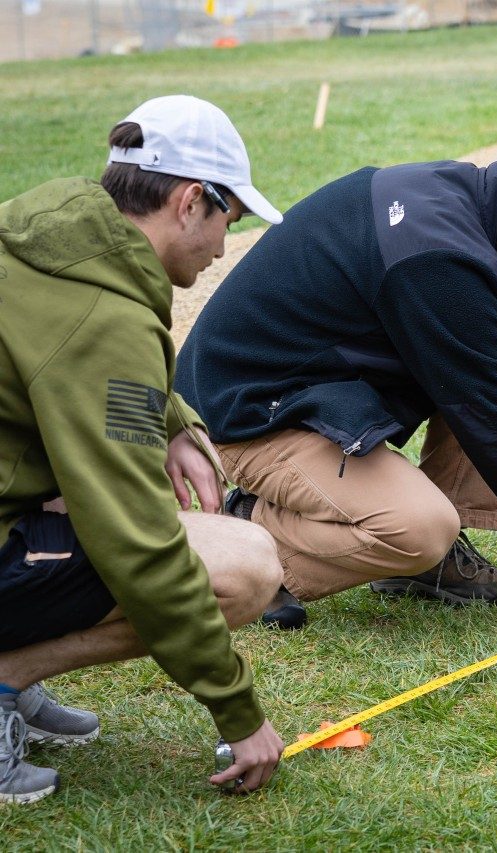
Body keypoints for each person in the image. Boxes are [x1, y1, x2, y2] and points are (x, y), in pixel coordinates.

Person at [175, 138, 497, 630]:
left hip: (310, 380)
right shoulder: (438, 260)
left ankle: (433, 563)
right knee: (421, 527)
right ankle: (244, 539)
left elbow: (480, 381)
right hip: (247, 410)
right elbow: (491, 415)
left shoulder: (469, 203)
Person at [0, 95, 287, 804]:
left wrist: (171, 417)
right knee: (244, 565)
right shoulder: (106, 316)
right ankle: (8, 671)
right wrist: (238, 710)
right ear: (191, 201)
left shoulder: (55, 240)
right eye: (231, 220)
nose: (224, 247)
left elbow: (64, 359)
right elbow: (137, 541)